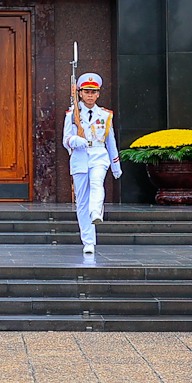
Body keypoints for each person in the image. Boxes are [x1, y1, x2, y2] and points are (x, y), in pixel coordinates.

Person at [62, 72, 120, 255]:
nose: (89, 95)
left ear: (98, 94)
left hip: (98, 156)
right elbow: (66, 139)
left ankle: (96, 212)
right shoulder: (72, 114)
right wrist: (75, 141)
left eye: (93, 92)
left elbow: (111, 141)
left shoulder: (105, 114)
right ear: (79, 93)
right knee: (81, 202)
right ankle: (88, 241)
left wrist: (116, 165)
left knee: (97, 182)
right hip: (80, 158)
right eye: (86, 91)